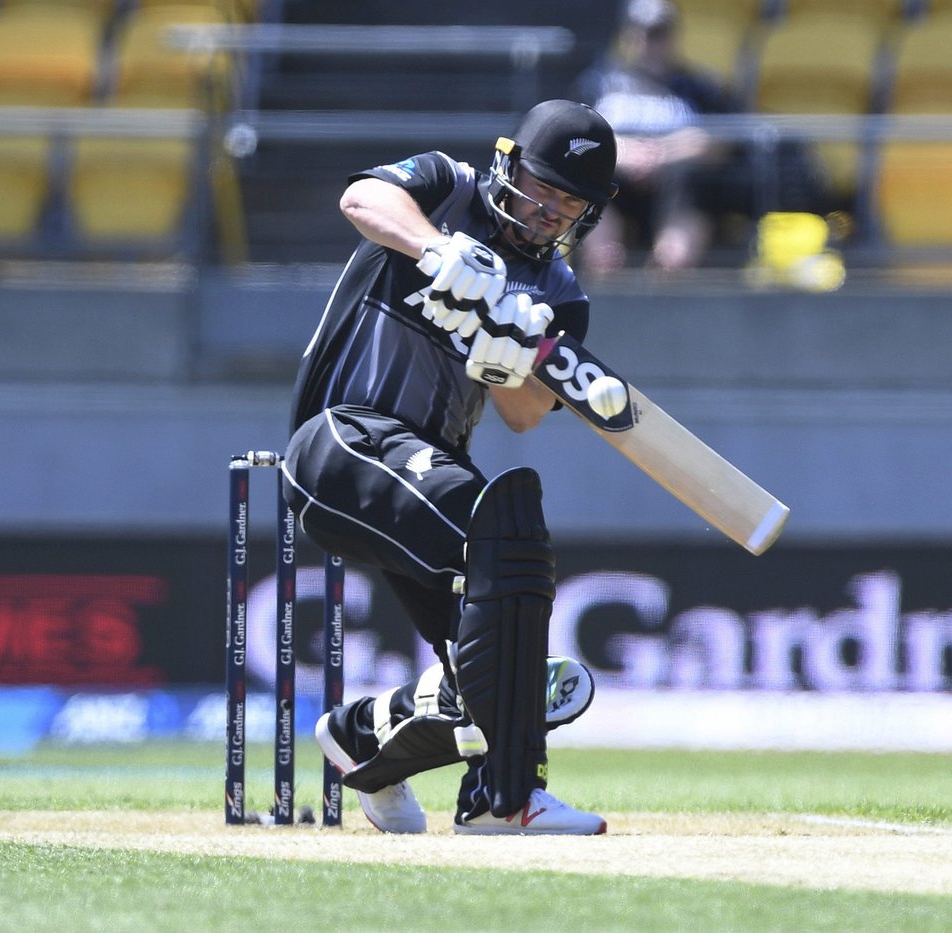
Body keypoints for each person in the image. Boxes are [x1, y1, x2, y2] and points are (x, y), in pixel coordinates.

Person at [282, 100, 617, 836]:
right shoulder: (446, 186)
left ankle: (369, 740)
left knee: (493, 675)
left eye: (570, 202)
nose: (549, 210)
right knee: (505, 528)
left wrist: (503, 359)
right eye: (542, 186)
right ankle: (511, 799)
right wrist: (438, 251)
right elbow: (360, 197)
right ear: (509, 163)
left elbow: (527, 414)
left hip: (428, 481)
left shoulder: (559, 294)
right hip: (339, 441)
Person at [571, 0, 738, 275]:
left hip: (679, 184)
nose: (651, 42)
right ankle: (604, 271)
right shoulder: (597, 83)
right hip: (614, 179)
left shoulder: (700, 87)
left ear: (675, 36)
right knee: (593, 179)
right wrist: (623, 152)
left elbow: (720, 142)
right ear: (626, 34)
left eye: (660, 33)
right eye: (644, 32)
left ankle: (669, 270)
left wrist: (660, 154)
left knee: (689, 184)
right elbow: (575, 134)